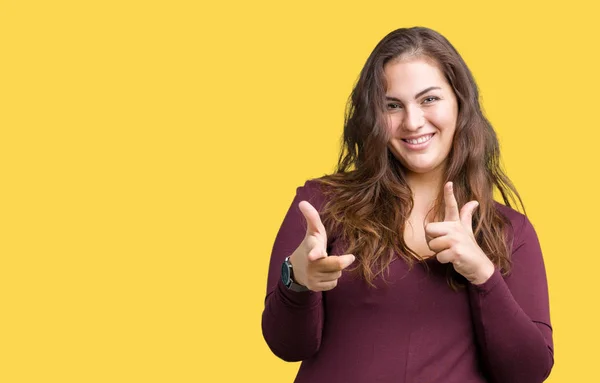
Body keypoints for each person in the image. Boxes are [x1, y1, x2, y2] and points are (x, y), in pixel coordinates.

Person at [261, 26, 554, 383]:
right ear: (373, 116)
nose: (413, 122)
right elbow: (287, 346)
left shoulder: (509, 230)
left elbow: (528, 372)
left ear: (460, 103)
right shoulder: (321, 207)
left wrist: (482, 274)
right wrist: (298, 281)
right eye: (392, 106)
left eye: (429, 99)